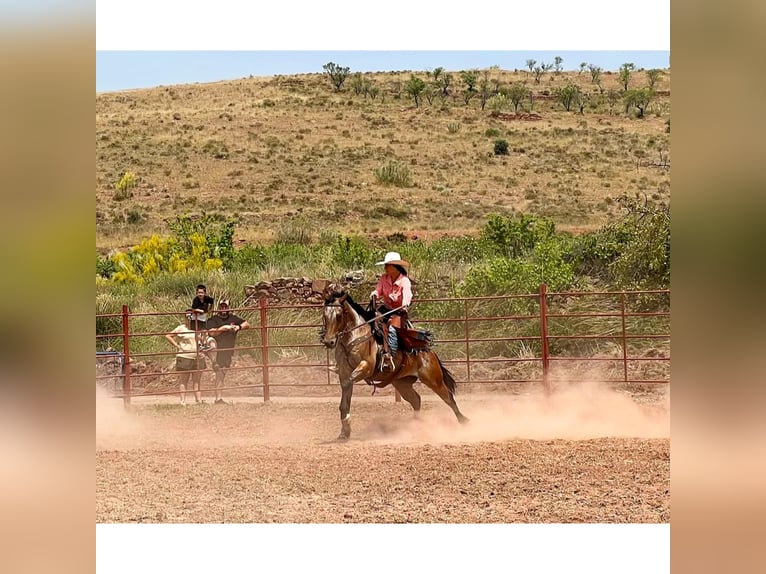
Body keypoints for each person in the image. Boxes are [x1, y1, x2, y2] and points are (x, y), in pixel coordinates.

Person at [370, 251, 413, 372]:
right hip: (386, 310)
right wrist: (374, 294)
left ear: (395, 267)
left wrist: (404, 304)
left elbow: (407, 295)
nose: (385, 267)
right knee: (372, 322)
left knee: (393, 330)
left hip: (399, 312)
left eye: (388, 265)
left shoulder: (404, 281)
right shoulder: (384, 278)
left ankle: (390, 357)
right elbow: (378, 291)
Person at [205, 299, 250, 404]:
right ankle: (217, 399)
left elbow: (247, 324)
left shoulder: (233, 318)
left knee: (222, 374)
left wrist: (238, 327)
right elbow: (211, 333)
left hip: (228, 351)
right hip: (217, 351)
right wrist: (224, 328)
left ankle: (218, 398)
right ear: (219, 308)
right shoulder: (213, 319)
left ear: (229, 308)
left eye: (226, 306)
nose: (224, 309)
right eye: (222, 307)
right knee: (220, 374)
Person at [165, 309, 213, 405]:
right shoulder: (181, 328)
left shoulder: (199, 327)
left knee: (197, 380)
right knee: (184, 380)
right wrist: (177, 346)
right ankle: (183, 401)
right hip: (184, 356)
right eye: (188, 316)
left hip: (198, 356)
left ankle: (198, 400)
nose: (190, 318)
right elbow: (168, 336)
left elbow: (204, 339)